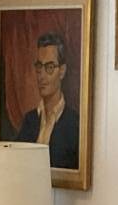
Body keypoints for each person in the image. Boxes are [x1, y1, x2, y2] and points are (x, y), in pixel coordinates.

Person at [14, 30, 79, 171]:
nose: (41, 76)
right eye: (39, 67)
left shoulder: (75, 124)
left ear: (62, 71)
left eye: (49, 67)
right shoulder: (29, 120)